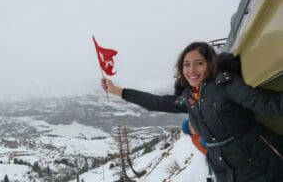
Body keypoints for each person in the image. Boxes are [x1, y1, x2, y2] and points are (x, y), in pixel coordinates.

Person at [101, 42, 283, 182]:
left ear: (210, 64)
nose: (191, 70)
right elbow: (155, 102)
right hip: (225, 170)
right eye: (186, 65)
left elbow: (267, 103)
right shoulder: (189, 96)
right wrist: (117, 90)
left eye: (199, 63)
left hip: (261, 163)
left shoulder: (226, 84)